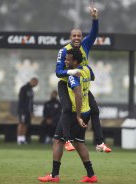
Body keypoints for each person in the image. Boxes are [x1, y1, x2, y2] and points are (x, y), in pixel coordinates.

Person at [55, 4, 111, 152]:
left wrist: (95, 18)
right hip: (66, 84)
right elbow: (58, 72)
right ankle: (67, 141)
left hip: (80, 85)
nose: (77, 38)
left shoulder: (85, 45)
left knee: (95, 110)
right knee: (67, 108)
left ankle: (100, 143)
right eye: (74, 36)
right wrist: (71, 72)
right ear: (70, 37)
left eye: (79, 35)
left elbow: (94, 33)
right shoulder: (63, 51)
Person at [38, 48, 98, 183]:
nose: (65, 61)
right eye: (65, 59)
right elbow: (92, 78)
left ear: (75, 62)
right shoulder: (87, 69)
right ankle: (91, 175)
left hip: (74, 112)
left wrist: (77, 116)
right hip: (86, 110)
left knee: (58, 140)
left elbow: (77, 93)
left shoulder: (72, 75)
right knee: (79, 142)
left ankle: (54, 175)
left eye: (68, 60)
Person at [17, 77, 38, 145]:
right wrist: (22, 110)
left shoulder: (31, 90)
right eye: (36, 83)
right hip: (23, 111)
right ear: (32, 81)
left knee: (26, 124)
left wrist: (31, 111)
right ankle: (19, 139)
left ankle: (23, 139)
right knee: (21, 123)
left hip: (28, 112)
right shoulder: (24, 88)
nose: (36, 85)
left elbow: (31, 102)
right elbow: (21, 100)